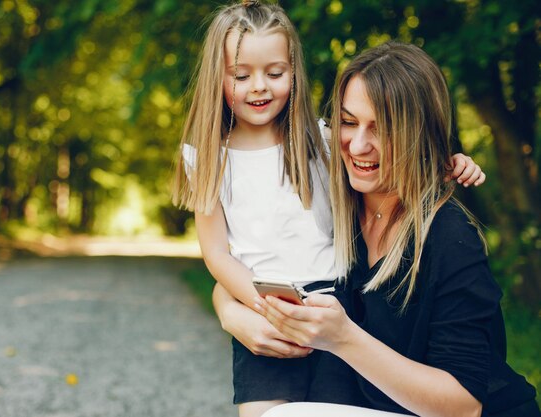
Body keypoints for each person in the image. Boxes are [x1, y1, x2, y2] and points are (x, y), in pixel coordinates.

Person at [172, 2, 486, 416]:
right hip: (268, 307)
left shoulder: (320, 144)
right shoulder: (211, 160)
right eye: (241, 75)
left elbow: (401, 162)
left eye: (275, 73)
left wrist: (447, 163)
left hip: (333, 304)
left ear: (294, 72)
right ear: (219, 77)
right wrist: (246, 308)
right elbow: (216, 254)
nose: (259, 87)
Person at [249, 41, 540, 417]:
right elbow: (239, 253)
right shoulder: (332, 212)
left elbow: (464, 406)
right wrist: (230, 313)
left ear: (419, 134)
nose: (358, 144)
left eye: (381, 129)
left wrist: (344, 338)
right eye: (349, 122)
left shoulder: (449, 237)